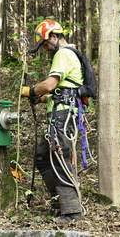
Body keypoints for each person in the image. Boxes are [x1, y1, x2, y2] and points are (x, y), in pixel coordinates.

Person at [22, 19, 84, 222]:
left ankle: (72, 210)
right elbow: (61, 90)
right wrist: (43, 98)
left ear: (55, 37)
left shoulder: (63, 54)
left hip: (63, 117)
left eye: (46, 44)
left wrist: (31, 91)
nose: (46, 48)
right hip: (61, 114)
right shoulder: (68, 54)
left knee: (60, 159)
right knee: (42, 157)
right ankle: (59, 202)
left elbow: (49, 84)